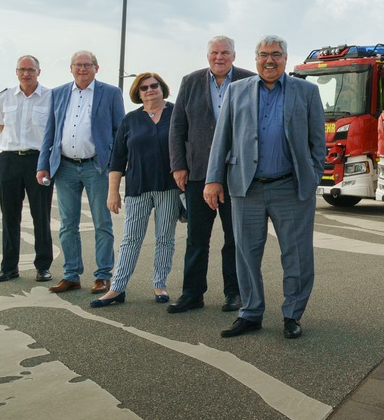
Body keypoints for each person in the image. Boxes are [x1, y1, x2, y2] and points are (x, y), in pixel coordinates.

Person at [205, 36, 325, 339]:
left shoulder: (307, 92)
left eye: (275, 55)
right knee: (245, 253)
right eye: (262, 55)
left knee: (297, 256)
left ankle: (292, 315)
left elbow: (317, 143)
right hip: (246, 188)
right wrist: (213, 179)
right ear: (254, 58)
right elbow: (222, 139)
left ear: (285, 58)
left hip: (291, 188)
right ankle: (250, 313)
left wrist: (312, 177)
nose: (269, 61)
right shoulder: (237, 90)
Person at [167, 36, 256, 314]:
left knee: (235, 238)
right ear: (208, 55)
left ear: (234, 55)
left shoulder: (249, 81)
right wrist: (178, 165)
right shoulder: (190, 81)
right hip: (198, 173)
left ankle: (235, 293)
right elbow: (178, 126)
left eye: (225, 53)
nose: (220, 57)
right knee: (196, 238)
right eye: (215, 53)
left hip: (237, 173)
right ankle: (192, 293)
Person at [36, 50, 125, 295]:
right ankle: (71, 275)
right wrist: (43, 164)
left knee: (102, 223)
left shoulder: (110, 93)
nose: (82, 69)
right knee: (67, 225)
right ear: (71, 68)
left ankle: (103, 275)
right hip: (64, 167)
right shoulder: (59, 93)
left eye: (87, 65)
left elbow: (120, 132)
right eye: (78, 65)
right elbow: (50, 132)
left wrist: (115, 166)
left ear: (97, 68)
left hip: (97, 167)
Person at [92, 73, 180, 308]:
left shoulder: (176, 114)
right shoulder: (130, 120)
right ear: (137, 93)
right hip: (137, 187)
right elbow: (117, 160)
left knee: (164, 238)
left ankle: (160, 284)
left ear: (163, 88)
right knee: (131, 238)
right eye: (144, 88)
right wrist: (113, 192)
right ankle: (117, 288)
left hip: (169, 187)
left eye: (154, 86)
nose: (150, 90)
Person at [0, 55, 54, 283]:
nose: (26, 73)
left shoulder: (50, 97)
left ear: (39, 71)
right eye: (22, 70)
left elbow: (53, 131)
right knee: (9, 216)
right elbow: (2, 126)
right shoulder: (5, 96)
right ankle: (8, 267)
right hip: (9, 161)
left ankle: (43, 266)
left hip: (38, 161)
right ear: (16, 72)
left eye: (31, 70)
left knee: (41, 215)